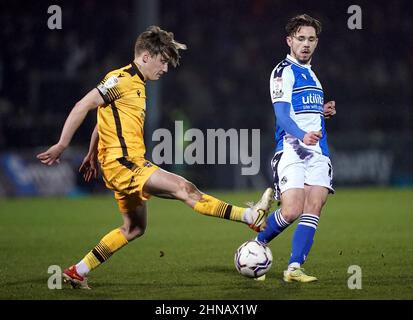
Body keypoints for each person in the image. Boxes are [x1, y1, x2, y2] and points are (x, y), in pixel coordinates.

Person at [37, 26, 274, 289]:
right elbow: (84, 105)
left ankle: (77, 271)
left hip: (122, 165)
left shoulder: (137, 84)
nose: (165, 69)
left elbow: (102, 117)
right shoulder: (121, 78)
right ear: (146, 56)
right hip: (125, 164)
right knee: (185, 188)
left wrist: (93, 152)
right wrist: (62, 144)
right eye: (163, 61)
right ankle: (250, 217)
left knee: (134, 228)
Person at [255, 14, 336, 282]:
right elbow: (282, 116)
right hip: (292, 148)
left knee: (314, 205)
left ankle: (294, 267)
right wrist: (302, 135)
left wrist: (320, 111)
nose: (306, 44)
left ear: (317, 42)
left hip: (318, 151)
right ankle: (257, 245)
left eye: (311, 39)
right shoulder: (283, 72)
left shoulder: (313, 75)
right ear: (289, 40)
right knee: (291, 210)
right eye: (300, 38)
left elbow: (304, 112)